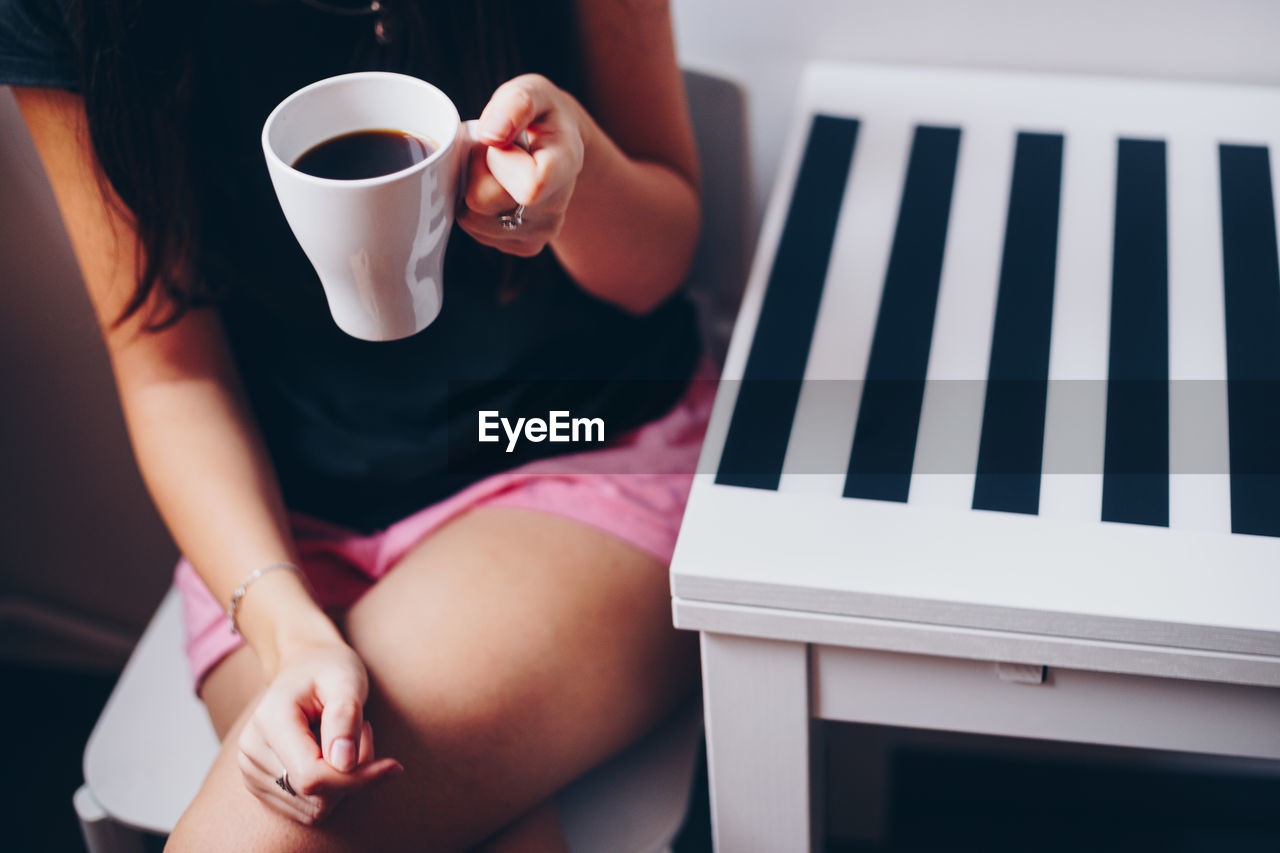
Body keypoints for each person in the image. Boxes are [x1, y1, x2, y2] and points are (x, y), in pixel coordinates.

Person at [2, 0, 710, 848]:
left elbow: (660, 265)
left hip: (570, 450)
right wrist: (287, 629)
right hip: (279, 529)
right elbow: (170, 374)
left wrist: (573, 179)